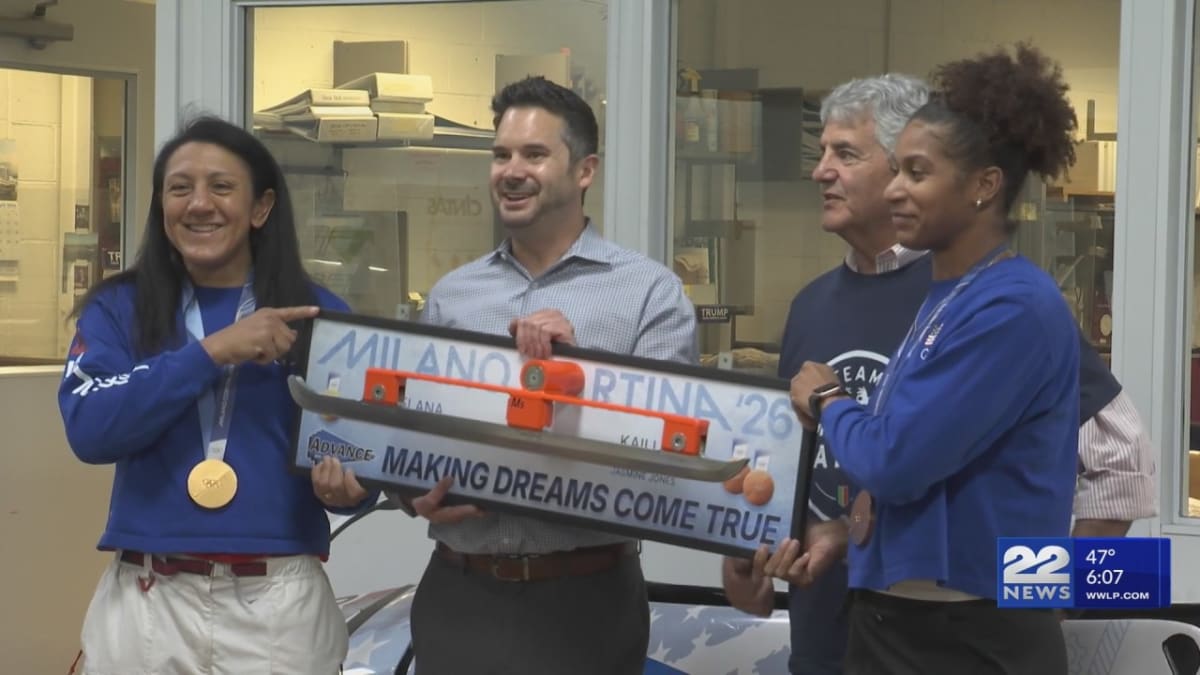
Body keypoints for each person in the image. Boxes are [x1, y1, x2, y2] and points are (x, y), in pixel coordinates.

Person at [722, 70, 1156, 674]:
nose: (820, 171)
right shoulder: (832, 303)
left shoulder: (1004, 301)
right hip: (843, 637)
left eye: (847, 154)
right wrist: (813, 545)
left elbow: (1124, 466)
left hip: (964, 641)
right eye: (822, 153)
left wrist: (1043, 602)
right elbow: (889, 485)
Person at [789, 42, 1083, 673]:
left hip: (971, 634)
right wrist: (845, 535)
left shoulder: (1015, 305)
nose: (895, 190)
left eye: (915, 173)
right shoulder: (949, 293)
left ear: (983, 186)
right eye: (893, 170)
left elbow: (894, 461)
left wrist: (826, 400)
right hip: (899, 618)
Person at [395, 75, 697, 675]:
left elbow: (671, 459)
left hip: (586, 603)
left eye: (534, 154)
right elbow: (412, 430)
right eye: (501, 154)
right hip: (459, 595)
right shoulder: (454, 295)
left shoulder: (649, 293)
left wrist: (580, 370)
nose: (511, 170)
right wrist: (411, 492)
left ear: (585, 171)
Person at [59, 116, 371, 675]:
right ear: (162, 206)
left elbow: (358, 455)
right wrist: (212, 351)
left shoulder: (319, 316)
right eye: (180, 188)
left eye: (221, 187)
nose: (199, 203)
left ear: (260, 207)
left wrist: (350, 491)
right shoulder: (118, 308)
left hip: (278, 600)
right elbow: (90, 429)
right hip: (149, 597)